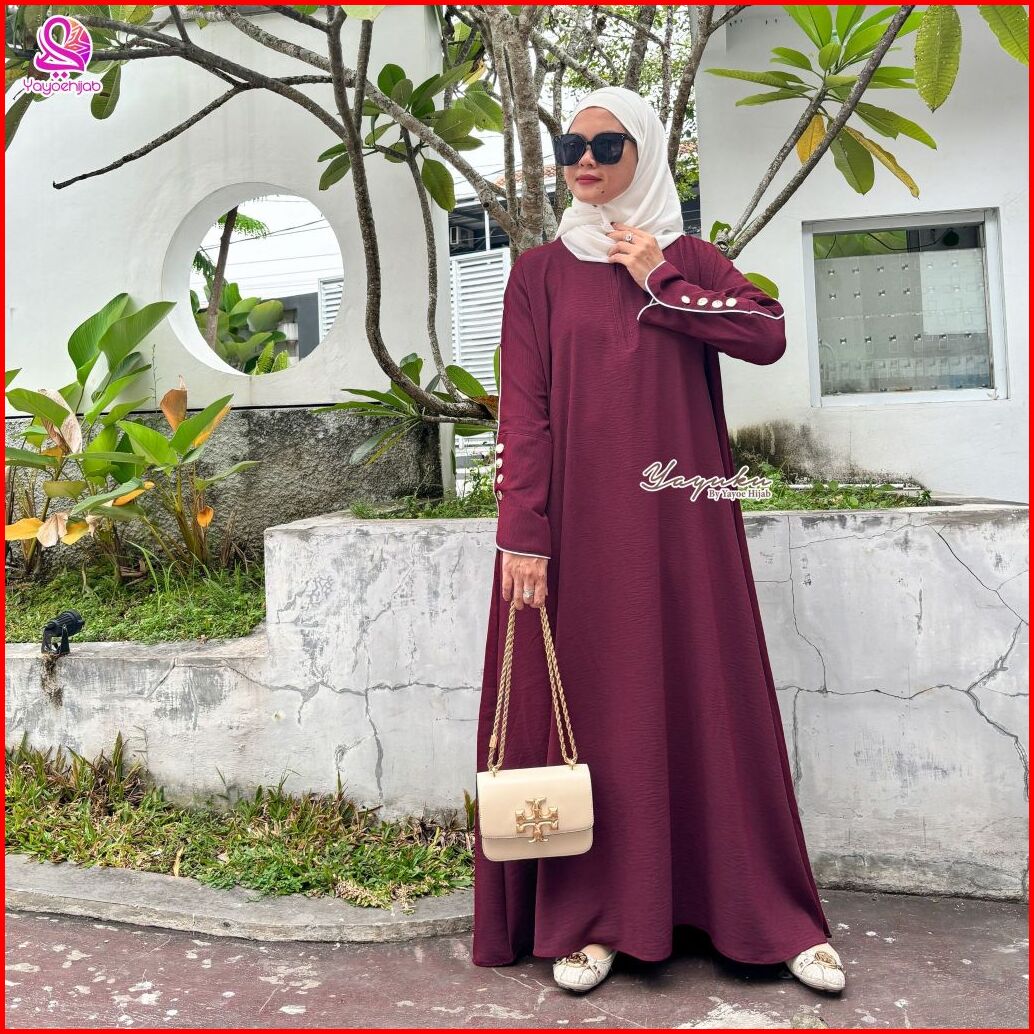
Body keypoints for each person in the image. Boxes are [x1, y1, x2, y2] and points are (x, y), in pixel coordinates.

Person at [471, 85, 846, 996]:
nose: (585, 161)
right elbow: (525, 414)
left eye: (608, 146)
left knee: (708, 699)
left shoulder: (689, 259)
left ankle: (762, 915)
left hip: (683, 530)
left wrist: (660, 282)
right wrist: (524, 535)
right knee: (592, 706)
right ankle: (590, 918)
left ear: (644, 155)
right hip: (577, 534)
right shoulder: (538, 274)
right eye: (572, 145)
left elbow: (765, 335)